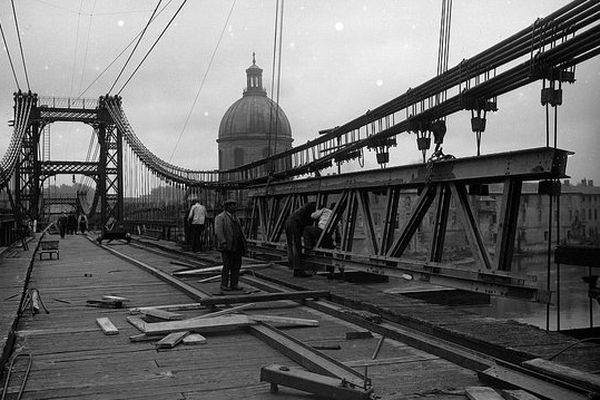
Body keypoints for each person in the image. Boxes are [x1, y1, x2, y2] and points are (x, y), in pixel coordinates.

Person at [215, 199, 247, 291]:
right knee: (227, 266)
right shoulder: (220, 217)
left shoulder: (236, 218)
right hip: (227, 246)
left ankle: (234, 284)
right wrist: (223, 242)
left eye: (234, 205)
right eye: (232, 205)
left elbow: (240, 231)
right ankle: (224, 284)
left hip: (237, 246)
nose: (234, 207)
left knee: (236, 266)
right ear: (227, 207)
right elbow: (219, 231)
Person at [284, 202, 316, 277]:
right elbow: (310, 222)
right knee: (296, 246)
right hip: (294, 223)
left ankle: (294, 268)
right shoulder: (313, 208)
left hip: (288, 222)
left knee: (291, 246)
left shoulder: (305, 207)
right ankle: (297, 270)